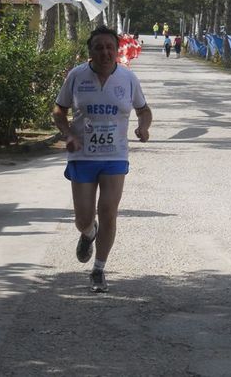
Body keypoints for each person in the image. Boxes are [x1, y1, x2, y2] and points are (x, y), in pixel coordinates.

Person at [53, 26, 152, 292]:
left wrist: (144, 127)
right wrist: (68, 134)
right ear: (91, 52)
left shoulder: (128, 79)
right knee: (83, 218)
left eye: (110, 47)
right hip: (82, 156)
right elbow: (59, 111)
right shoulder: (76, 76)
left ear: (118, 50)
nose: (105, 52)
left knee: (108, 211)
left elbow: (144, 110)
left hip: (115, 156)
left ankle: (99, 269)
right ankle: (88, 232)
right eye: (99, 47)